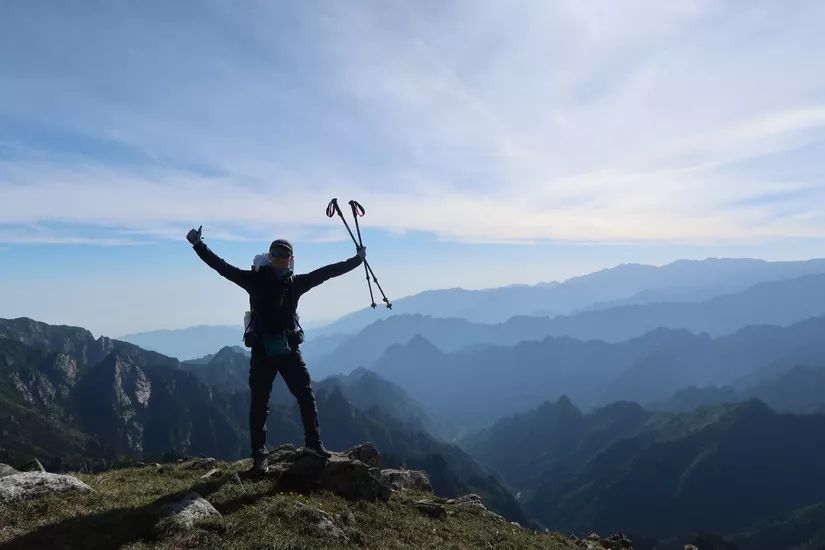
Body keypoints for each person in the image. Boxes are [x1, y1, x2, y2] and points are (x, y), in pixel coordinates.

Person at [185, 225, 365, 472]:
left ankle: (312, 444)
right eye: (275, 253)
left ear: (290, 259)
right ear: (269, 257)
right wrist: (199, 245)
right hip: (266, 350)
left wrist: (356, 260)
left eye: (284, 254)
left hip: (287, 348)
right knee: (261, 402)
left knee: (304, 396)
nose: (279, 258)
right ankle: (260, 456)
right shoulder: (256, 280)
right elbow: (222, 267)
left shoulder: (295, 283)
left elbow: (328, 272)